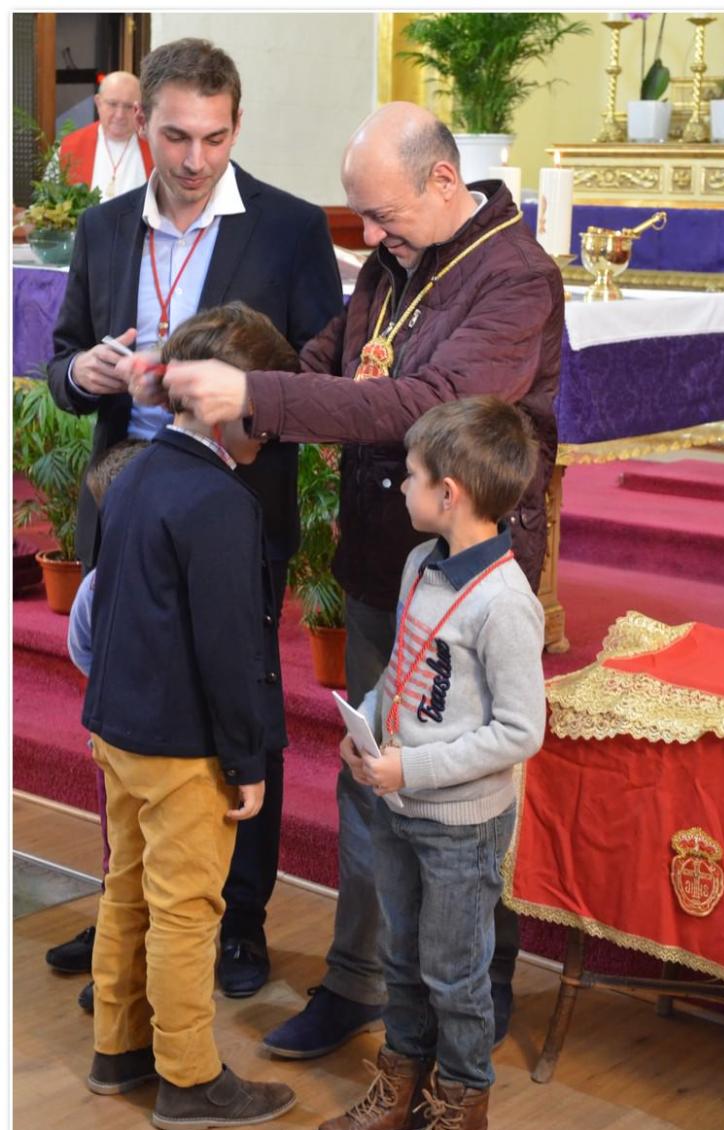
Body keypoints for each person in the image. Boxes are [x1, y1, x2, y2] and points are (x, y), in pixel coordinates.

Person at [160, 100, 564, 1058]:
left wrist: (259, 396)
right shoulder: (393, 261)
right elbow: (334, 359)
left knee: (460, 795)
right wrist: (229, 401)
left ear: (442, 180)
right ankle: (358, 981)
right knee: (367, 774)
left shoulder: (515, 276)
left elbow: (427, 404)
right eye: (363, 218)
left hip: (472, 575)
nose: (370, 238)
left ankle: (477, 979)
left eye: (382, 215)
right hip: (389, 557)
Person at [46, 36, 344, 1000]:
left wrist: (233, 393)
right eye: (176, 136)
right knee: (127, 716)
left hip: (233, 510)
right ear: (142, 122)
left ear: (237, 125)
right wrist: (87, 373)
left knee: (237, 710)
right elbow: (59, 365)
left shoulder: (290, 228)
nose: (193, 159)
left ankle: (238, 920)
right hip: (123, 504)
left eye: (215, 138)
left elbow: (320, 381)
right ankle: (127, 909)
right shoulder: (104, 227)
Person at [316, 396, 545, 1130]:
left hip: (459, 823)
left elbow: (520, 732)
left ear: (450, 493)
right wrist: (367, 723)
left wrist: (409, 770)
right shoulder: (420, 563)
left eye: (409, 477)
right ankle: (403, 1087)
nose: (400, 488)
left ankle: (462, 1108)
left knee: (455, 973)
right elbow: (401, 672)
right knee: (403, 956)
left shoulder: (506, 603)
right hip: (398, 803)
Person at [82, 302, 297, 1130]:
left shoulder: (137, 471)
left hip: (120, 725)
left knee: (127, 890)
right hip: (183, 747)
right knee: (186, 911)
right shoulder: (221, 502)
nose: (271, 428)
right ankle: (190, 1078)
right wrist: (247, 759)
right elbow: (229, 649)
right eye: (262, 408)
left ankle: (118, 1048)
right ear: (222, 404)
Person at [57, 72, 154, 201]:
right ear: (98, 103)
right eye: (113, 104)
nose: (120, 115)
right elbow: (47, 201)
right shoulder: (69, 148)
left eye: (129, 106)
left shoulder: (156, 148)